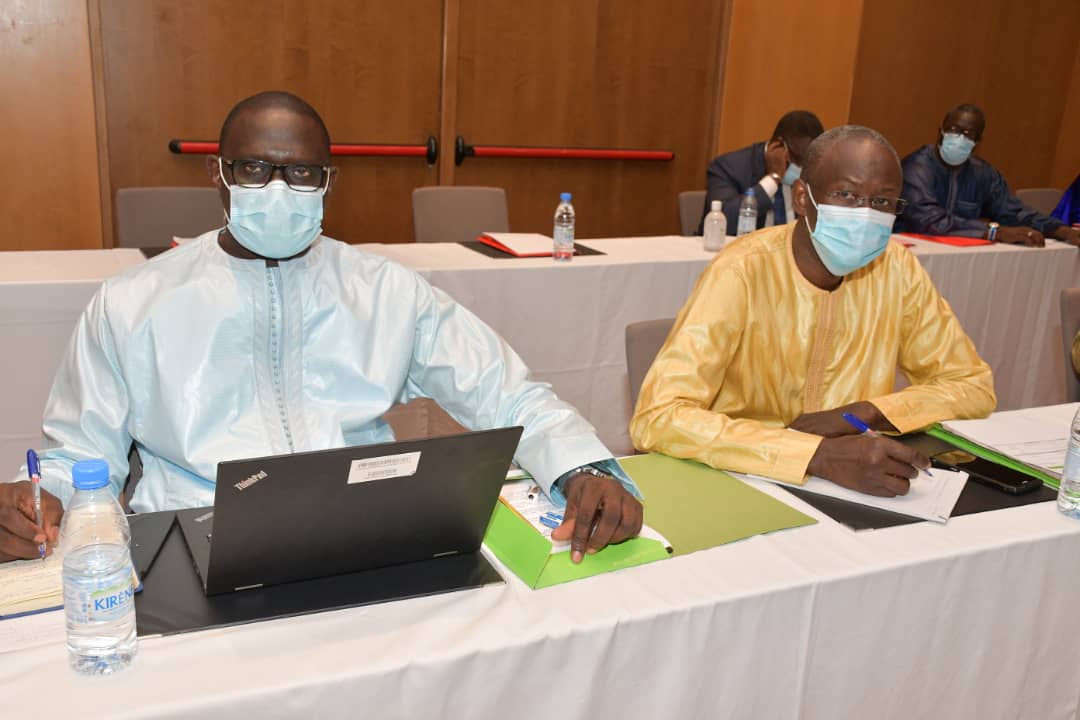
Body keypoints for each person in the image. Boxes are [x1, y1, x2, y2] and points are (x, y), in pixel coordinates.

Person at [1, 91, 641, 564]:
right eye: (254, 169)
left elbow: (507, 392)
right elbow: (80, 456)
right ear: (218, 174)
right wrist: (39, 501)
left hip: (362, 530)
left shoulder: (386, 291)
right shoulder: (132, 304)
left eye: (301, 173)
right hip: (193, 537)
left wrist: (583, 468)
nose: (278, 189)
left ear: (329, 183)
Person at [633, 125, 996, 497]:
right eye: (846, 195)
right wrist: (815, 455)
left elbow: (972, 387)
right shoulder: (743, 270)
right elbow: (658, 417)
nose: (865, 215)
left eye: (882, 202)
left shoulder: (897, 269)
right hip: (741, 478)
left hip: (856, 483)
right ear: (803, 198)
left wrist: (868, 412)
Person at [896, 103, 1080, 247]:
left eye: (968, 134)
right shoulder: (916, 167)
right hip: (915, 256)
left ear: (977, 142)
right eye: (953, 130)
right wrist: (994, 232)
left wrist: (1060, 230)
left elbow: (1014, 212)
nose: (959, 138)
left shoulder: (982, 173)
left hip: (961, 257)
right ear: (940, 132)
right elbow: (929, 220)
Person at [696, 110, 825, 235]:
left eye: (808, 162)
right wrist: (773, 178)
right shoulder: (729, 167)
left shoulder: (813, 172)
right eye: (797, 160)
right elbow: (725, 221)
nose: (801, 168)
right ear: (777, 145)